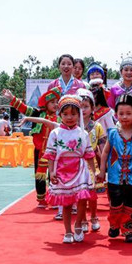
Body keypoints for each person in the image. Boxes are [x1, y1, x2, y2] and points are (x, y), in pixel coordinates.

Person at [43, 96, 97, 244]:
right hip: (62, 170)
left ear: (79, 115)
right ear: (60, 114)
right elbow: (51, 155)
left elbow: (89, 154)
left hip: (80, 169)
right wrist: (51, 171)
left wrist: (94, 172)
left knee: (82, 200)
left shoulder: (82, 133)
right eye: (65, 114)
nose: (69, 117)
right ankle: (67, 231)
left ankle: (78, 224)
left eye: (73, 114)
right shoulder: (55, 133)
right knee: (66, 203)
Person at [98, 94, 132, 243]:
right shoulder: (113, 133)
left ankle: (129, 230)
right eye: (121, 113)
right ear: (116, 114)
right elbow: (105, 152)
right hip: (114, 176)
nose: (124, 117)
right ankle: (114, 225)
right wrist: (102, 170)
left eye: (128, 113)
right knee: (115, 203)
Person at [8, 87, 60, 207]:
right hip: (40, 150)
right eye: (52, 102)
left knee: (54, 174)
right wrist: (12, 98)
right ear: (46, 104)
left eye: (57, 102)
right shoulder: (38, 114)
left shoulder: (59, 117)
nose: (55, 104)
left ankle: (55, 197)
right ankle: (41, 198)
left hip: (55, 152)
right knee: (39, 175)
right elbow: (25, 109)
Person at [78, 89, 107, 232]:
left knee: (92, 194)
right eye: (80, 107)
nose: (83, 110)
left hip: (92, 163)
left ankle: (94, 216)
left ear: (92, 108)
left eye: (86, 106)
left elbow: (102, 148)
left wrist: (103, 167)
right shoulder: (73, 126)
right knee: (80, 195)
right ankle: (83, 219)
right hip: (76, 165)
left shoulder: (97, 126)